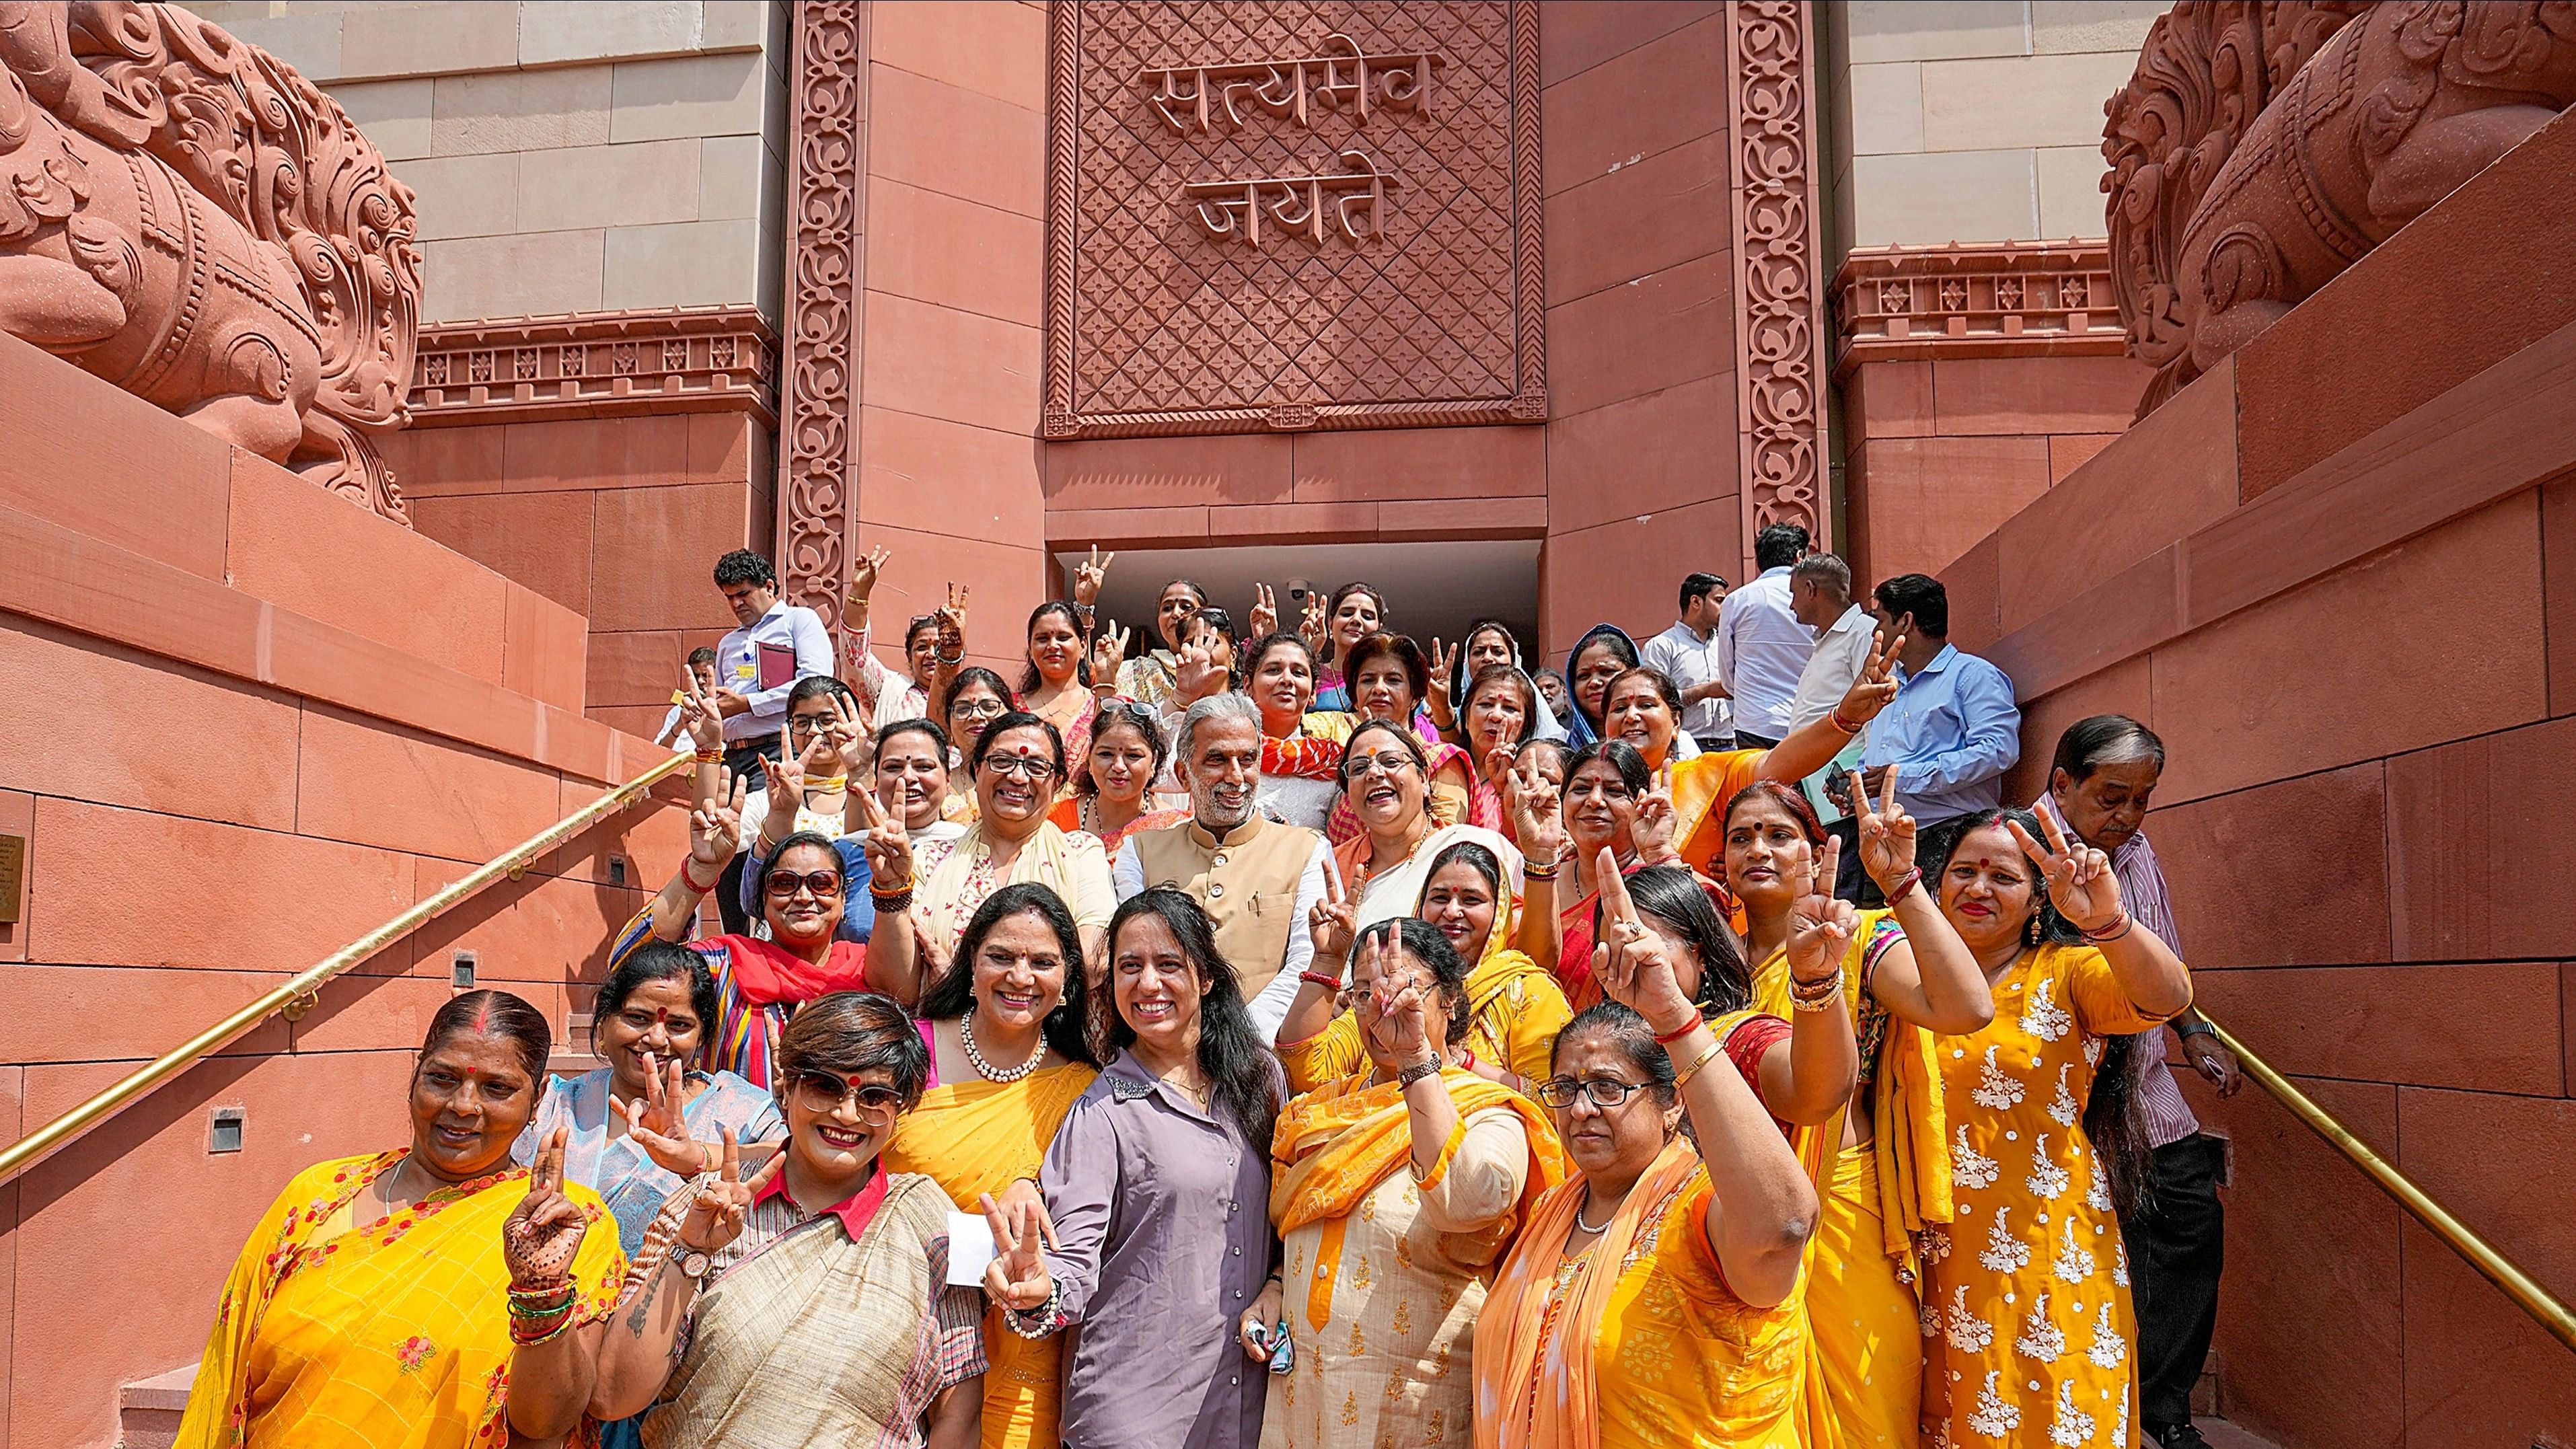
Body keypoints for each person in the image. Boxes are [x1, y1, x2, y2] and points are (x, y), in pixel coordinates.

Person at [1473, 860, 1823, 1449]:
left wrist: (1672, 1017)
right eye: (1567, 1089)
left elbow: (1784, 1225)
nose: (1582, 1108)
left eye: (1609, 1088)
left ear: (1670, 1106)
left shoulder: (1701, 1212)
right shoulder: (1548, 1217)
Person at [175, 991, 626, 1447]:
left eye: (497, 1088)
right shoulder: (319, 1195)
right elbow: (228, 1372)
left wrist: (540, 1291)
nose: (464, 1105)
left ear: (538, 1100)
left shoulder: (566, 1225)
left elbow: (546, 1422)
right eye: (442, 1078)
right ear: (415, 1076)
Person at [1718, 778, 1995, 1448]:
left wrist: (1900, 884)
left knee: (1865, 1412)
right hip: (1735, 1215)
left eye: (1779, 835)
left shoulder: (1857, 934)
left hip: (1842, 1206)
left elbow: (1966, 1009)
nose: (1758, 848)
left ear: (1815, 855)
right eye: (1740, 837)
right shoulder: (1711, 958)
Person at [587, 991, 988, 1445]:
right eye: (824, 1086)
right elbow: (612, 1398)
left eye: (875, 1097)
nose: (847, 1114)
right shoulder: (705, 1204)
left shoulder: (930, 1223)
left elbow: (959, 1414)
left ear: (902, 1109)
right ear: (789, 1085)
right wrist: (690, 1251)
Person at [1916, 807, 2193, 1449]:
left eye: (2003, 877)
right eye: (1963, 871)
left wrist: (2106, 922)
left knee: (2054, 1407)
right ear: (1936, 887)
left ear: (2038, 897)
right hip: (1926, 1249)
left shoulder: (2065, 973)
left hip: (2045, 1240)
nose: (1978, 889)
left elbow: (2165, 998)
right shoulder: (1899, 975)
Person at [982, 888, 1287, 1449]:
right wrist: (1039, 1291)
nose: (1148, 984)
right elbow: (1071, 1263)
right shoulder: (1103, 1112)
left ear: (1208, 978)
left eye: (1168, 964)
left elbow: (1290, 1215)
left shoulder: (1260, 1081)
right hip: (1134, 1416)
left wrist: (1276, 1283)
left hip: (1247, 1406)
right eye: (1130, 967)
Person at [1256, 919, 1567, 1449]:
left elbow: (1468, 1204)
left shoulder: (1490, 1111)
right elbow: (1300, 1225)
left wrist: (1416, 1061)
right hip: (1302, 1395)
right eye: (1365, 994)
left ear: (1448, 1001)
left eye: (1403, 991)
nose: (1384, 1007)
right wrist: (1277, 1286)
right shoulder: (1317, 1113)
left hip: (1418, 1405)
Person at [2037, 716, 2239, 1449]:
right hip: (2063, 1097)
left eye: (2142, 800)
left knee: (2189, 1224)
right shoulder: (2012, 847)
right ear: (2063, 784)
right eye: (2111, 797)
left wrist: (2193, 1030)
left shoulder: (2136, 849)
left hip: (2148, 1085)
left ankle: (2164, 1409)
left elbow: (2162, 949)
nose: (2126, 816)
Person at [887, 884, 1102, 1449]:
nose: (1020, 977)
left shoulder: (1084, 1089)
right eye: (1001, 957)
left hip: (1016, 1333)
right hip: (889, 1315)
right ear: (971, 961)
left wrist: (1031, 1185)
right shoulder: (909, 1053)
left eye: (1043, 962)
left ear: (1067, 980)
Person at [519, 942, 786, 1257]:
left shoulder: (741, 1109)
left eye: (679, 1025)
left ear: (702, 1037)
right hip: (545, 1297)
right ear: (604, 1023)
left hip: (682, 1297)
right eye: (638, 1018)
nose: (657, 1039)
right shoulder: (557, 1104)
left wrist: (698, 1159)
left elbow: (795, 1159)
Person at [611, 773, 880, 1084]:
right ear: (763, 898)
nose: (804, 897)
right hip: (726, 1133)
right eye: (784, 884)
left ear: (843, 896)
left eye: (821, 883)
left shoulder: (870, 969)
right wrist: (702, 869)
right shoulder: (725, 965)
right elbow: (630, 965)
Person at [1278, 834, 1575, 1094]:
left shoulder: (1524, 990)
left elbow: (1555, 1103)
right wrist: (1326, 962)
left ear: (1499, 912)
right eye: (1440, 897)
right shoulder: (1387, 983)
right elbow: (1305, 1071)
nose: (1452, 911)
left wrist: (1457, 1063)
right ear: (1421, 904)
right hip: (1373, 1143)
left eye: (1471, 900)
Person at [1113, 692, 1332, 1037]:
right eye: (1217, 760)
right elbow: (1137, 961)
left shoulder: (1306, 849)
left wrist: (1239, 1040)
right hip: (1162, 1053)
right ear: (1184, 775)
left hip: (1263, 1054)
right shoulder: (1139, 852)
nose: (1235, 777)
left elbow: (1305, 962)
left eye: (1247, 760)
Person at [873, 711, 1117, 973]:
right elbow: (896, 986)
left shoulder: (1081, 854)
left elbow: (1093, 964)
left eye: (1036, 767)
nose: (1018, 777)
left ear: (1056, 783)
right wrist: (892, 887)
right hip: (940, 1016)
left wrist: (957, 982)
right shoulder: (929, 860)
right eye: (1002, 761)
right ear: (977, 770)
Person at [1857, 573, 2022, 848]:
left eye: (1880, 619)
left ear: (1906, 622)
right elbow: (1879, 759)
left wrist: (1901, 777)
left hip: (1949, 834)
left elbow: (1999, 750)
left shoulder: (1972, 676)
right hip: (1885, 837)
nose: (1875, 631)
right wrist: (1856, 781)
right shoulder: (1891, 686)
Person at [1331, 719, 1523, 936]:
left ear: (1424, 780)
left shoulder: (1479, 847)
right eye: (1359, 768)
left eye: (1391, 761)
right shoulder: (1333, 866)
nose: (1374, 773)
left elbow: (1530, 947)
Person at [732, 677, 880, 940]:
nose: (814, 731)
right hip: (780, 958)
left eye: (826, 720)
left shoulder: (882, 800)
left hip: (859, 955)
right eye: (802, 722)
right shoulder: (766, 800)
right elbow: (751, 899)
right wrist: (780, 814)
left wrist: (860, 772)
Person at [1783, 554, 1880, 899]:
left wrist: (1858, 781)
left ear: (1811, 590)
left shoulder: (1863, 634)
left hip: (1846, 789)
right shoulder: (1825, 643)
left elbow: (1876, 711)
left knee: (1852, 889)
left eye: (1794, 593)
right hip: (1821, 792)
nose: (1792, 605)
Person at [1323, 632, 1474, 844]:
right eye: (1368, 680)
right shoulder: (1346, 763)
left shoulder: (1441, 760)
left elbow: (1446, 841)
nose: (1379, 689)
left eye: (1393, 680)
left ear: (1414, 698)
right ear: (1355, 699)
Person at [1717, 523, 1817, 749]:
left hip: (1755, 723)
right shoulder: (1815, 598)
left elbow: (1726, 670)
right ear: (1800, 556)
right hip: (1808, 721)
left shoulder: (1737, 600)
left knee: (1758, 786)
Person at [842, 545, 965, 726]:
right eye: (922, 647)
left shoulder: (970, 698)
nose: (931, 654)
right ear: (909, 656)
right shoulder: (889, 689)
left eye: (940, 648)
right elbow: (855, 657)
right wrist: (859, 593)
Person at [1244, 632, 1355, 829]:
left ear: (1313, 693)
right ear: (1247, 687)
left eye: (1299, 673)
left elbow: (1344, 842)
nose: (1287, 680)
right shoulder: (1228, 754)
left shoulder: (1331, 764)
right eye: (1273, 670)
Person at [1050, 700, 1187, 853]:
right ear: (1089, 760)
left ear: (1153, 762)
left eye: (1133, 755)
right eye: (1106, 754)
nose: (1119, 766)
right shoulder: (1054, 822)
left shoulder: (1175, 830)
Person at [1430, 619, 1566, 745]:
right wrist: (1441, 707)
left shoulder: (1537, 718)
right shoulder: (1443, 715)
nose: (1487, 658)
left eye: (1497, 652)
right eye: (1479, 652)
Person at [1643, 572, 1734, 752]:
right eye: (1719, 600)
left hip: (1731, 743)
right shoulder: (1662, 646)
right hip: (1685, 746)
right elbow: (1653, 701)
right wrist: (1705, 691)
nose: (1725, 608)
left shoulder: (1728, 642)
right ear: (1696, 602)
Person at [1454, 662, 1541, 835]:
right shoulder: (1442, 766)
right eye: (1486, 704)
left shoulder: (1531, 782)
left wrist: (1504, 792)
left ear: (1526, 723)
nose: (1496, 716)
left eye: (1510, 708)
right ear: (1466, 714)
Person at [1019, 599, 1108, 765]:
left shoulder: (1104, 702)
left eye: (1063, 637)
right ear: (1031, 650)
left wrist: (1107, 680)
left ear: (1083, 646)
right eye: (1042, 639)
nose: (1053, 645)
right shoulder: (1009, 706)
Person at [1114, 572, 1212, 710]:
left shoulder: (1220, 664)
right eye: (1167, 608)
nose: (1176, 614)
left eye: (1186, 607)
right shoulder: (1135, 670)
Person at [875, 716, 971, 852]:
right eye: (893, 767)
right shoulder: (850, 851)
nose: (908, 777)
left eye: (924, 767)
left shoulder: (972, 849)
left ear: (948, 777)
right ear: (876, 779)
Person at [941, 667, 1017, 822]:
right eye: (963, 709)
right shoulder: (936, 784)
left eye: (989, 707)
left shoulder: (1031, 778)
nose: (975, 716)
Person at [1306, 581, 1388, 712]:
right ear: (1331, 623)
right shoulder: (1309, 677)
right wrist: (1306, 655)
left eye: (1367, 616)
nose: (1356, 620)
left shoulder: (1394, 679)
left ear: (1379, 629)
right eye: (1347, 614)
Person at [654, 646, 722, 748]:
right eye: (696, 676)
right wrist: (679, 726)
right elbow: (660, 749)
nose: (700, 681)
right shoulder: (678, 711)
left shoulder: (728, 709)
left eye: (705, 675)